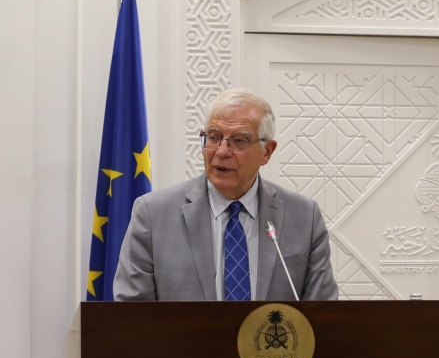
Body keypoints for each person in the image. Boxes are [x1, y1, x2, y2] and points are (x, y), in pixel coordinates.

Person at [113, 88, 338, 301]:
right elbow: (131, 313)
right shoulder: (153, 214)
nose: (221, 152)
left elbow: (322, 312)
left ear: (267, 152)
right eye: (213, 137)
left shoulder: (304, 217)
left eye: (239, 141)